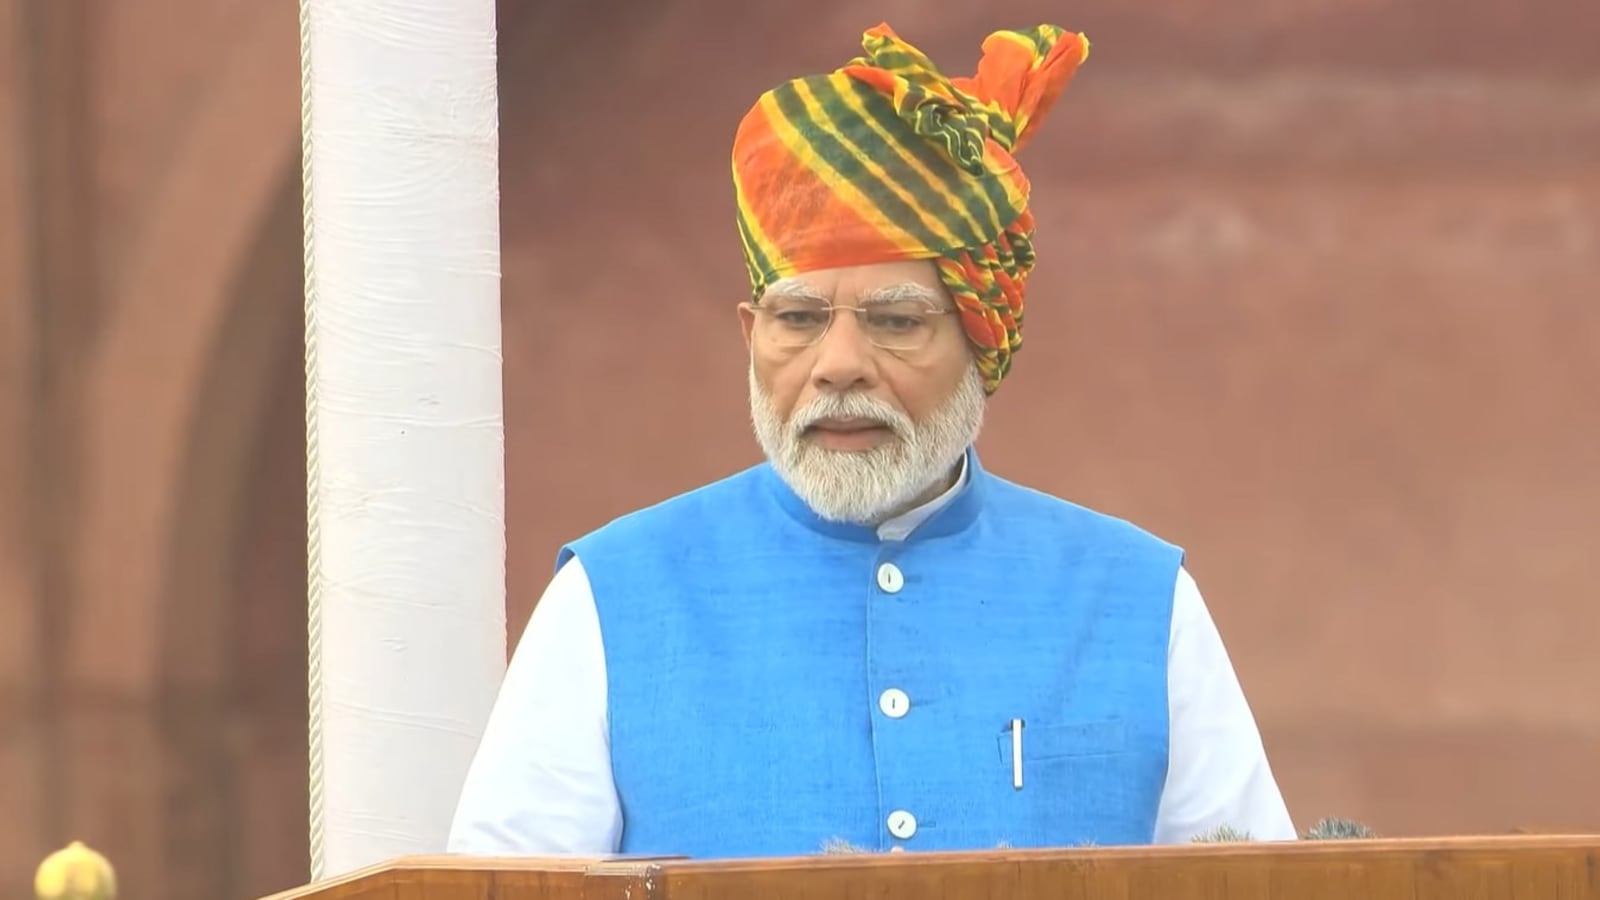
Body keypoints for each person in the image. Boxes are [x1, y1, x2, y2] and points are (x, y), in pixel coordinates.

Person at [447, 21, 1296, 859]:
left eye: (895, 320)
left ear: (980, 340)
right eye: (800, 319)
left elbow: (1262, 885)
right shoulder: (611, 599)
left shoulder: (1139, 600)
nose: (839, 365)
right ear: (751, 336)